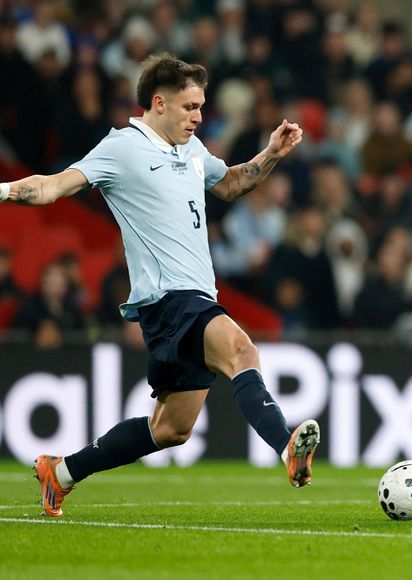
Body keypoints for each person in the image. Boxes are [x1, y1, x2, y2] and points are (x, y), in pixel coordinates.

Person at [0, 54, 321, 517]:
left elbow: (229, 185)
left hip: (191, 300)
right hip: (170, 300)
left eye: (201, 106)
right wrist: (6, 191)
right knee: (242, 351)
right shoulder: (122, 149)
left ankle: (63, 472)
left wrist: (269, 155)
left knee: (170, 430)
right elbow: (52, 187)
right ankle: (284, 443)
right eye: (191, 106)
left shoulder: (190, 150)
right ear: (159, 102)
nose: (199, 116)